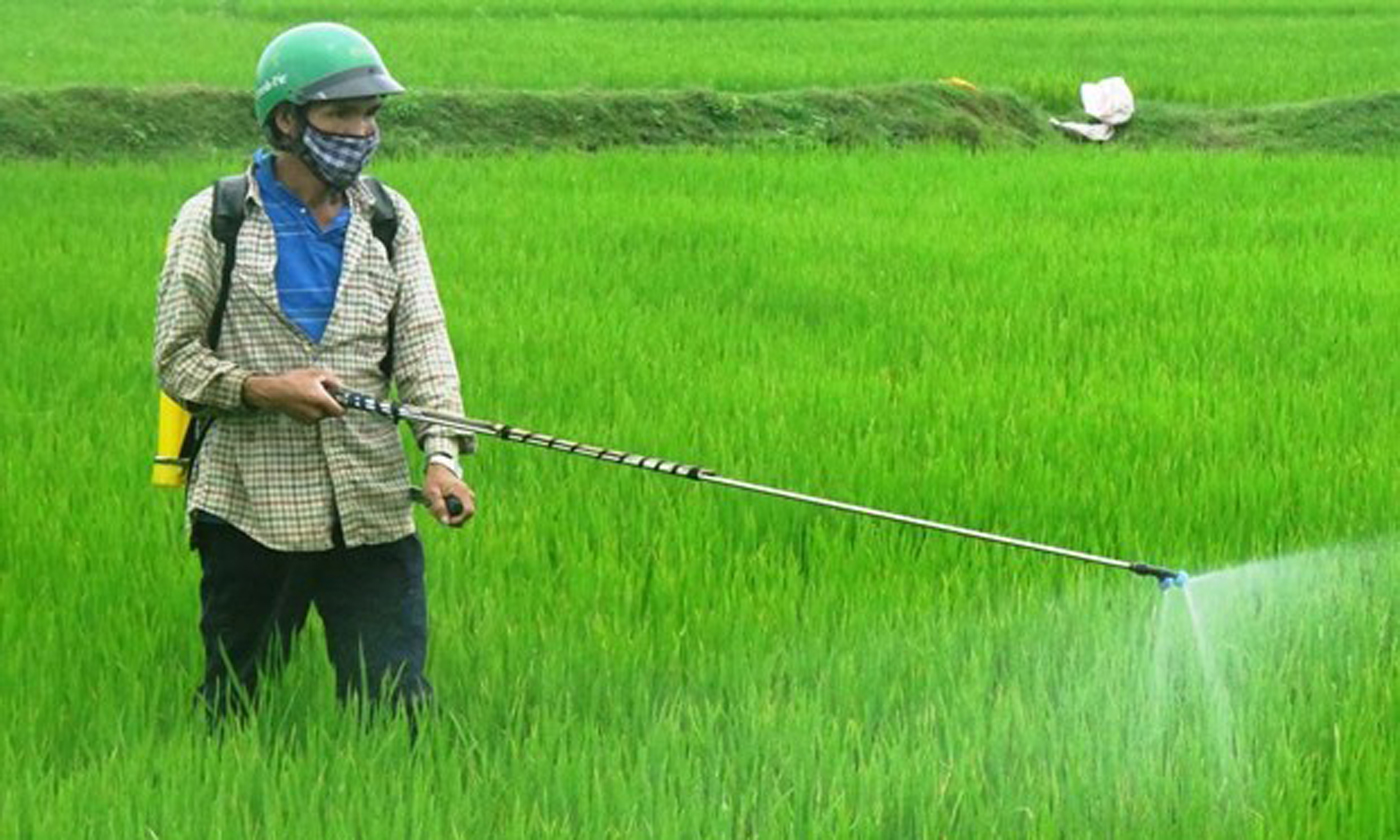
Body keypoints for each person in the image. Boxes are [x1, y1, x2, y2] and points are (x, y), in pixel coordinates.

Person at [153, 21, 474, 724]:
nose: (361, 130)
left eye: (370, 114)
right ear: (286, 119)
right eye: (341, 114)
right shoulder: (216, 219)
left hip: (370, 501)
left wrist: (442, 459)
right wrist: (267, 390)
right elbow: (175, 361)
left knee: (394, 706)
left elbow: (424, 349)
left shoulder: (389, 218)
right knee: (237, 700)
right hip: (251, 506)